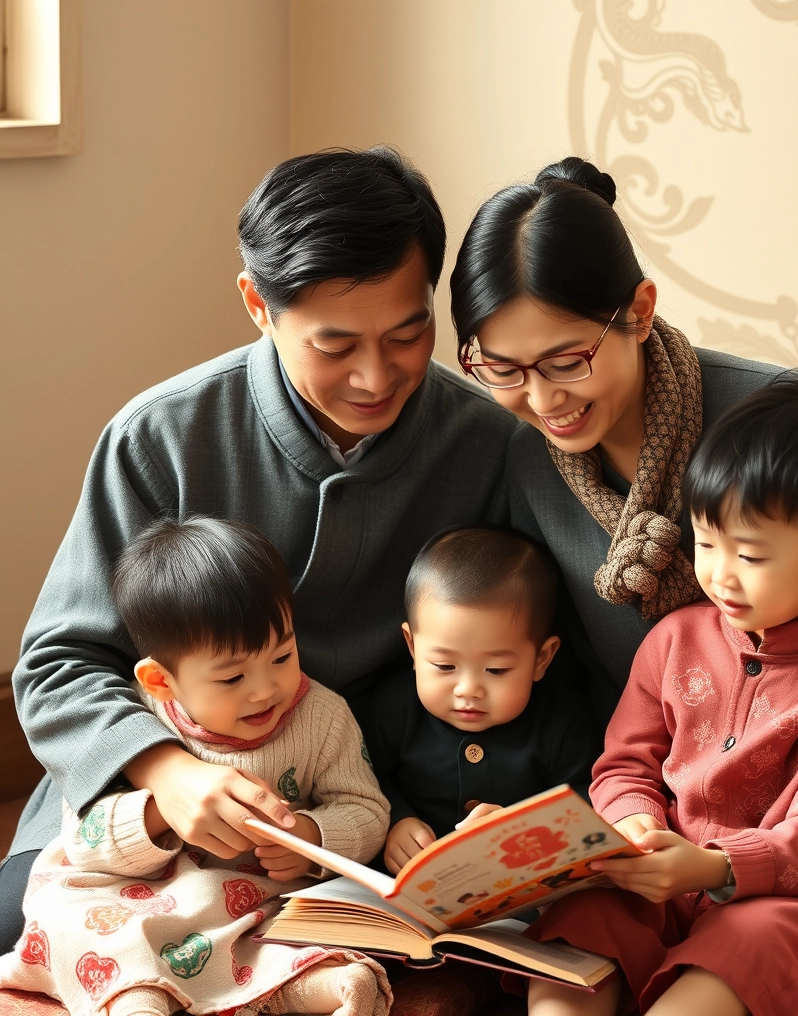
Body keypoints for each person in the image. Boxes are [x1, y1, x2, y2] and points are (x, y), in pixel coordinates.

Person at [449, 157, 798, 1014]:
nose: (542, 398)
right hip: (652, 828)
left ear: (639, 310)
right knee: (564, 958)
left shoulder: (772, 420)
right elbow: (576, 686)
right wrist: (549, 823)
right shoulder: (526, 454)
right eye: (502, 368)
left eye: (567, 360)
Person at [0, 146, 520, 953]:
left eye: (409, 334)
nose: (377, 376)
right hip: (145, 808)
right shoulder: (160, 437)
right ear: (257, 303)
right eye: (335, 345)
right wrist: (168, 773)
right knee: (22, 935)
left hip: (368, 812)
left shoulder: (487, 443)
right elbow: (59, 661)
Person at [518, 378, 798, 1015]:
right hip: (656, 878)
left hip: (785, 900)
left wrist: (715, 867)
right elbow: (624, 764)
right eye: (706, 542)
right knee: (581, 923)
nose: (718, 573)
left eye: (749, 553)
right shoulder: (672, 639)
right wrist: (633, 820)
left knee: (748, 946)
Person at [0, 516, 392, 1016]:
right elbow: (84, 843)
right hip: (137, 899)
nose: (265, 688)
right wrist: (158, 812)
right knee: (88, 926)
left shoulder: (323, 716)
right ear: (161, 680)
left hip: (253, 901)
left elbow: (366, 810)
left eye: (282, 655)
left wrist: (314, 837)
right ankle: (139, 999)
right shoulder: (137, 721)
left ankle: (296, 989)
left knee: (305, 940)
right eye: (232, 677)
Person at [363, 526, 600, 874]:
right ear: (412, 647)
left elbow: (589, 797)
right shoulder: (394, 708)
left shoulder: (561, 721)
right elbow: (360, 778)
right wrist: (395, 819)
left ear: (541, 659)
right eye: (444, 666)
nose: (468, 689)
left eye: (497, 670)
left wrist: (523, 825)